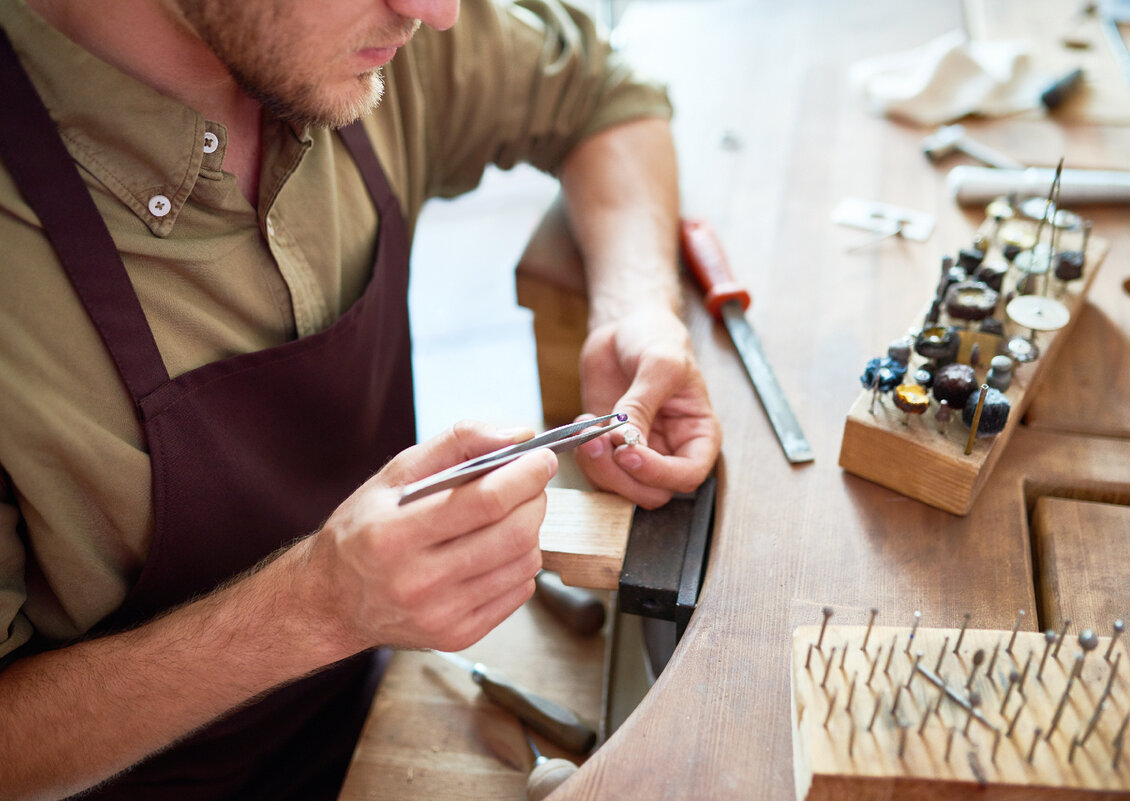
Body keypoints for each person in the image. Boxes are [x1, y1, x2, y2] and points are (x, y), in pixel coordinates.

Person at [0, 0, 721, 797]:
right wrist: (314, 608)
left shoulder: (341, 38)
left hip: (388, 713)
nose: (436, 13)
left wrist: (633, 302)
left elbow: (598, 90)